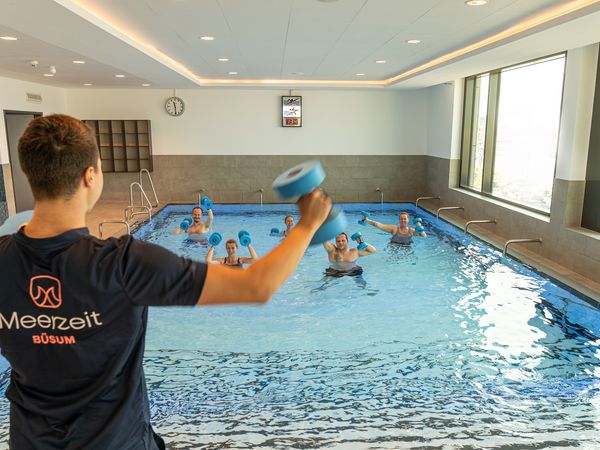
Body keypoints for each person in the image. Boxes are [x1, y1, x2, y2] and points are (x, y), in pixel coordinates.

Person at [0, 114, 331, 450]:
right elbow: (256, 285)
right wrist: (308, 224)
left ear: (30, 175)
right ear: (90, 176)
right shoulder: (124, 263)